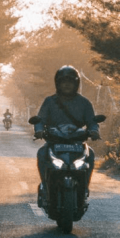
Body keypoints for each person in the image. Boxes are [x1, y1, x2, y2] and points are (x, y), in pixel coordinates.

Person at [33, 65, 100, 205]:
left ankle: (85, 187)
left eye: (71, 81)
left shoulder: (84, 103)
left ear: (76, 84)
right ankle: (45, 187)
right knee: (41, 153)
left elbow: (92, 121)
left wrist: (94, 131)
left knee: (91, 154)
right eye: (64, 81)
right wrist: (39, 130)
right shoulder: (49, 101)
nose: (67, 85)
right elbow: (40, 120)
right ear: (58, 83)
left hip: (77, 143)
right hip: (54, 142)